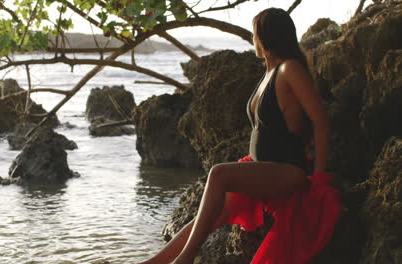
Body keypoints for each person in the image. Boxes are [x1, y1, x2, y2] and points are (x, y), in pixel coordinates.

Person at [138, 7, 341, 264]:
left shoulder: (290, 69)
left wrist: (320, 180)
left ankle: (185, 259)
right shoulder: (268, 73)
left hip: (287, 171)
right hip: (260, 168)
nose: (253, 39)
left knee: (218, 174)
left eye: (255, 33)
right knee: (206, 217)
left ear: (267, 37)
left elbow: (321, 122)